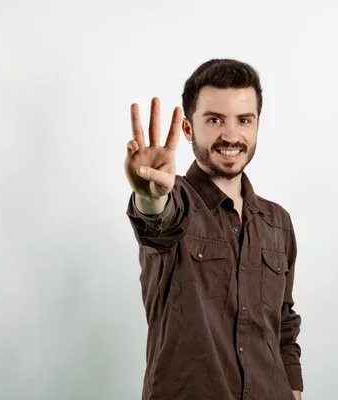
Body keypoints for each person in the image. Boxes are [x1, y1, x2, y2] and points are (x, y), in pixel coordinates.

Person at [124, 59, 303, 400]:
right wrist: (150, 198)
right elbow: (157, 224)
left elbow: (284, 320)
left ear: (257, 126)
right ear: (189, 128)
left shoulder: (278, 222)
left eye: (243, 120)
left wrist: (293, 389)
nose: (231, 135)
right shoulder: (175, 201)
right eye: (215, 120)